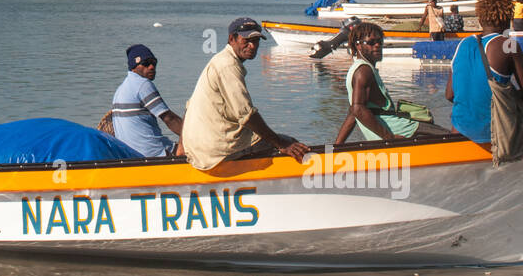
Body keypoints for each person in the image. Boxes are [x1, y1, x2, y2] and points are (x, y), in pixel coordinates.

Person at [182, 17, 310, 170]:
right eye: (247, 40)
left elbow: (189, 107)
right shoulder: (227, 65)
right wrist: (281, 144)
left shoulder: (220, 60)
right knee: (289, 143)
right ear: (232, 39)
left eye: (256, 41)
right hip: (214, 150)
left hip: (200, 146)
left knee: (272, 139)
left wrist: (181, 146)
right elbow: (247, 115)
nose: (252, 46)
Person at [445, 0, 523, 143]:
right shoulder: (509, 45)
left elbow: (449, 95)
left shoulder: (462, 45)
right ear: (507, 20)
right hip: (493, 129)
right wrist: (508, 93)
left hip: (461, 127)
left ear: (480, 19)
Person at [334, 22, 450, 144]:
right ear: (358, 45)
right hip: (396, 130)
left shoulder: (360, 68)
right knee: (451, 136)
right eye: (371, 42)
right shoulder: (364, 71)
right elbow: (357, 109)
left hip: (391, 129)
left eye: (380, 42)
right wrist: (389, 138)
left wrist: (336, 147)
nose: (377, 45)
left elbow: (354, 113)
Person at [110, 44, 183, 158]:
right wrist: (196, 138)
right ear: (134, 66)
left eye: (154, 63)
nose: (151, 67)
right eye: (146, 63)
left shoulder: (120, 90)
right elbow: (170, 119)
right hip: (153, 153)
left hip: (129, 154)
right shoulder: (143, 85)